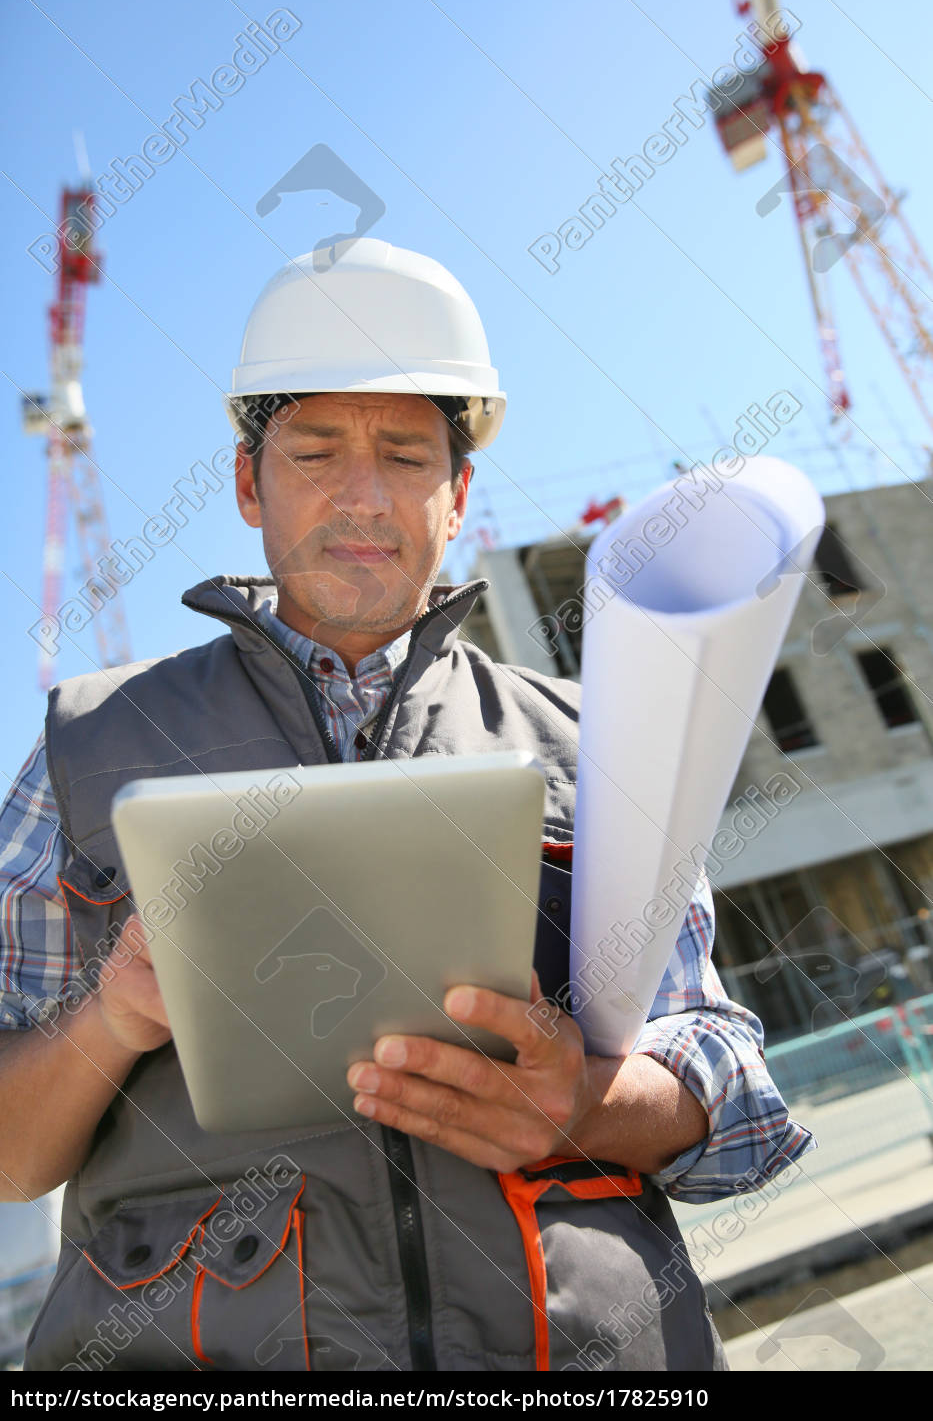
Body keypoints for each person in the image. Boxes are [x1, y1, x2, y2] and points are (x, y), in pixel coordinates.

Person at [0, 239, 812, 1372]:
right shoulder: (82, 748)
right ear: (248, 482)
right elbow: (7, 1155)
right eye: (316, 450)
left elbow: (733, 1083)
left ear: (459, 492)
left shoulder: (595, 739)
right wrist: (114, 1018)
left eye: (405, 454)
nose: (364, 495)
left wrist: (581, 1104)